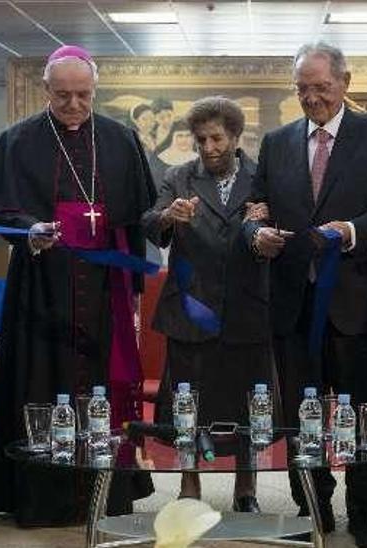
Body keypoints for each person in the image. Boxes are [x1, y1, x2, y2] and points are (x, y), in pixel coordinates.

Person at [0, 44, 156, 526]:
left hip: (104, 288)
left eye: (83, 95)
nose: (74, 105)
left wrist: (136, 288)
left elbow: (141, 213)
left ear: (95, 90)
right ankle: (43, 499)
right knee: (41, 385)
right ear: (46, 90)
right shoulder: (18, 140)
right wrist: (30, 228)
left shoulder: (120, 139)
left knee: (104, 386)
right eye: (63, 96)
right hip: (42, 285)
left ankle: (109, 497)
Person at [246, 42, 367, 548]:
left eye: (321, 86)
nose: (312, 97)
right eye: (303, 88)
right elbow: (257, 206)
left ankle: (364, 513)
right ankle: (311, 508)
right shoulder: (276, 142)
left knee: (365, 413)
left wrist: (350, 231)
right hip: (295, 304)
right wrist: (256, 234)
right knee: (302, 415)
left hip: (364, 302)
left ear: (345, 82)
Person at [140, 96, 278, 512]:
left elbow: (278, 225)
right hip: (191, 308)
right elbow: (150, 221)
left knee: (248, 402)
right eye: (201, 139)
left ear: (235, 136)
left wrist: (268, 225)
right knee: (188, 402)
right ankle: (189, 485)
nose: (209, 147)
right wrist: (169, 217)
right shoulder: (179, 178)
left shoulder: (262, 179)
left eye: (217, 138)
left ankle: (246, 489)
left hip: (247, 308)